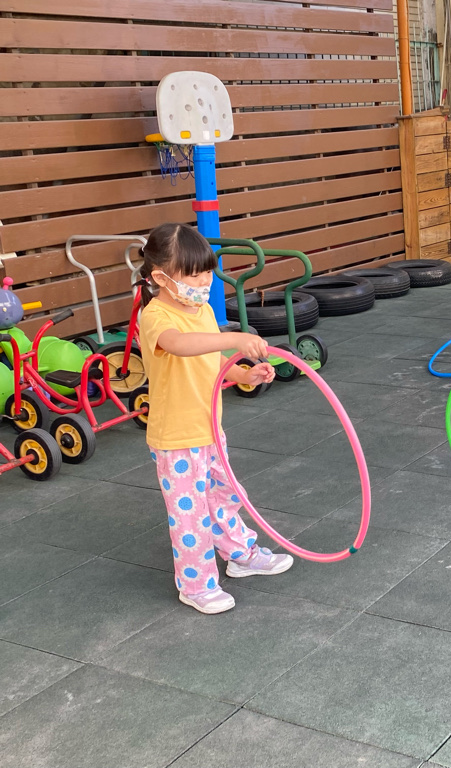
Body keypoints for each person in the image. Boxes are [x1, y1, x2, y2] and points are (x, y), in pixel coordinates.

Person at [137, 223, 289, 615]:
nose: (205, 281)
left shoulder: (201, 309)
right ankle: (197, 586)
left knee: (224, 495)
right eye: (194, 275)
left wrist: (243, 374)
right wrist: (235, 338)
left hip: (209, 429)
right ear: (161, 278)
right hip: (177, 439)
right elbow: (180, 345)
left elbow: (210, 359)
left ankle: (240, 554)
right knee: (190, 516)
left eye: (208, 271)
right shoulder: (155, 317)